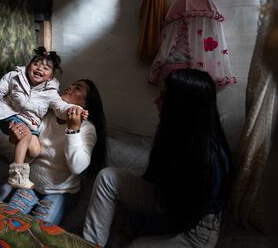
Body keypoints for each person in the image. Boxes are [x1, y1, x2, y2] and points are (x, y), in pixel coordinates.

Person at [83, 68, 232, 247]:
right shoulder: (171, 131)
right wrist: (134, 207)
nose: (156, 102)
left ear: (181, 104)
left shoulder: (208, 157)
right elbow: (153, 177)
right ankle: (88, 244)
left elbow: (182, 219)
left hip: (194, 227)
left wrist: (136, 225)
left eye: (163, 96)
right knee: (108, 178)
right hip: (165, 199)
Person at [0, 47, 86, 189]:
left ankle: (11, 146)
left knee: (35, 150)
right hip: (9, 114)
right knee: (25, 136)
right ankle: (17, 175)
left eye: (46, 67)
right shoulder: (15, 77)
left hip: (29, 122)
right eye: (36, 64)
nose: (40, 68)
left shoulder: (51, 92)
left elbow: (60, 107)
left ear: (51, 76)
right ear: (28, 65)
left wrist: (74, 109)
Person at [1, 79, 107, 225]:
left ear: (84, 104)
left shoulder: (87, 128)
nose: (70, 87)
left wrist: (73, 129)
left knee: (40, 229)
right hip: (32, 184)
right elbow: (31, 152)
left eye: (77, 88)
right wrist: (16, 138)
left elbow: (77, 168)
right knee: (7, 220)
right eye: (71, 84)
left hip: (62, 192)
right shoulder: (45, 114)